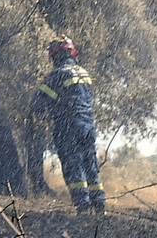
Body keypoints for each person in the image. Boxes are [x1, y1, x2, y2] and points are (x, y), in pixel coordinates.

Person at [30, 36, 106, 215]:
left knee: (74, 166)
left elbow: (38, 103)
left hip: (68, 126)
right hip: (88, 126)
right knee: (90, 164)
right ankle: (99, 205)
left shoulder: (58, 74)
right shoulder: (84, 73)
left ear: (56, 56)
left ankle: (83, 207)